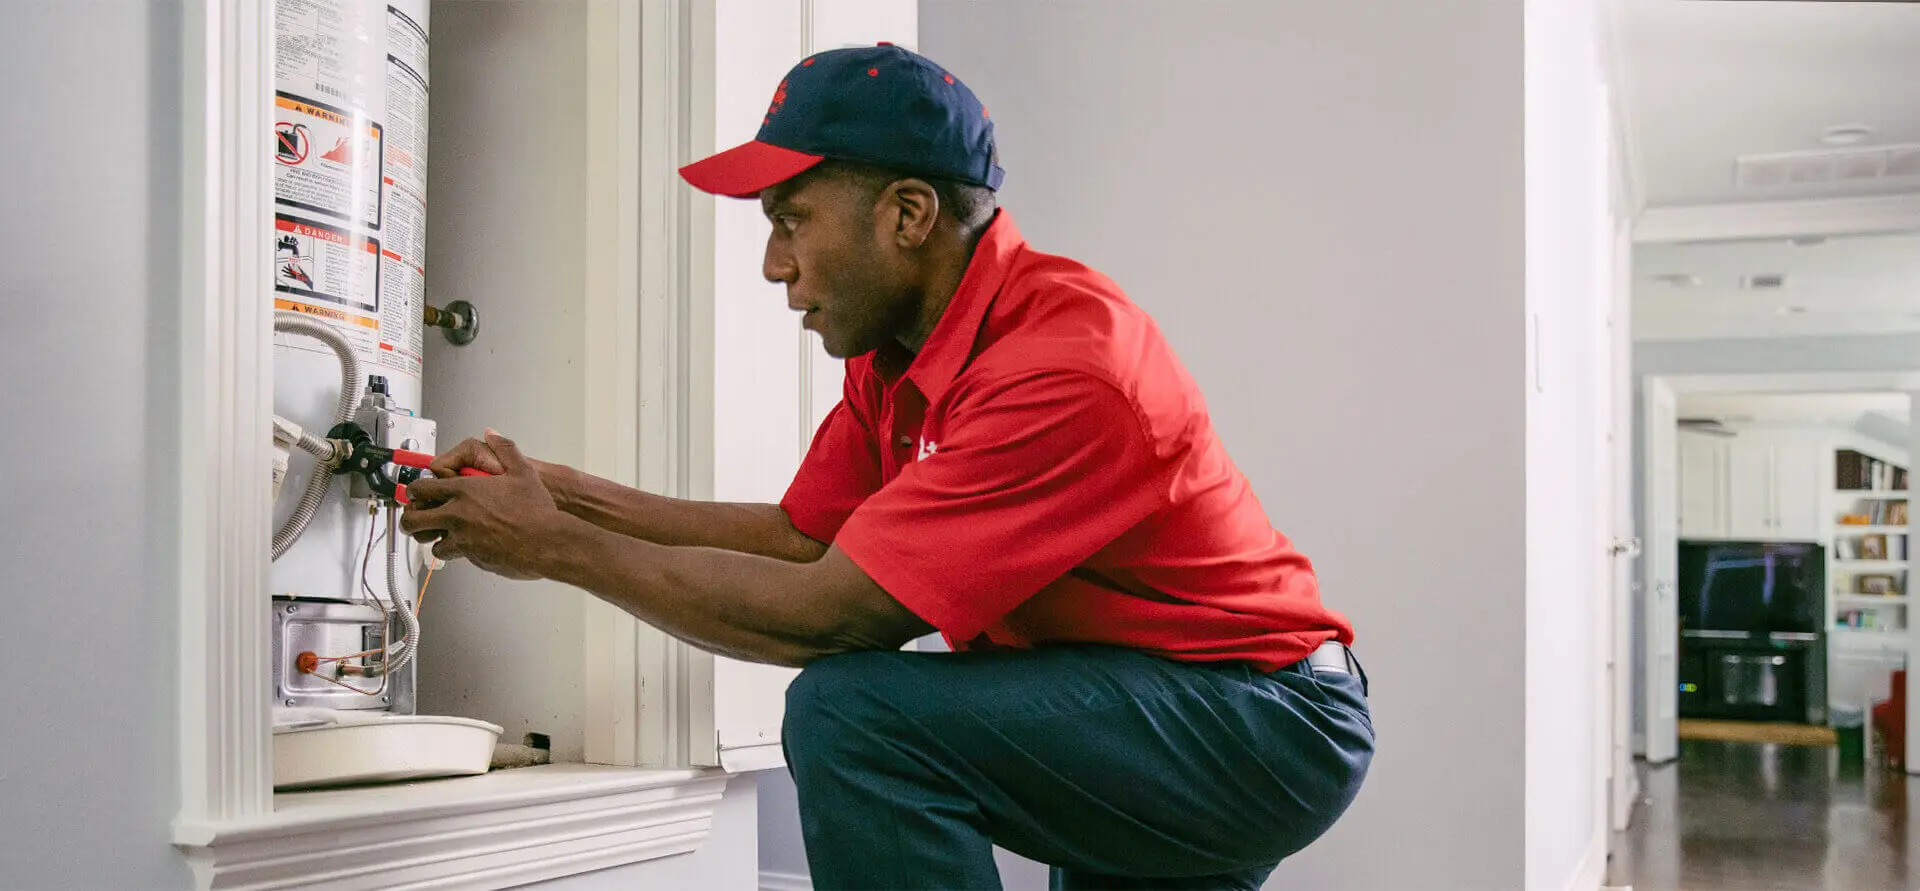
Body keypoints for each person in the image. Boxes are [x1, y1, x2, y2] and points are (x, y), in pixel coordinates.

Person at [401, 43, 1372, 891]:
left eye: (794, 220)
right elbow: (802, 538)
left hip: (1260, 721)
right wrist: (567, 495)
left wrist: (556, 546)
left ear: (907, 214)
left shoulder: (1065, 366)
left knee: (856, 713)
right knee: (866, 709)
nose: (778, 266)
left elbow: (838, 611)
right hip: (1141, 694)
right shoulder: (900, 352)